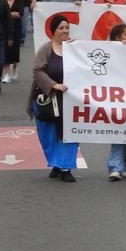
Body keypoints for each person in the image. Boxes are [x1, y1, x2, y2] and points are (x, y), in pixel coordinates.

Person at [30, 18, 78, 182]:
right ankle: (57, 164)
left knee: (70, 133)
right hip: (49, 99)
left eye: (67, 27)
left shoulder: (74, 48)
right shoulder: (46, 49)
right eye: (61, 28)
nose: (65, 31)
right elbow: (37, 71)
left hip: (71, 99)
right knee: (49, 134)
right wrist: (53, 85)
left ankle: (66, 167)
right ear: (53, 31)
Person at [107, 24, 126, 182]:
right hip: (116, 97)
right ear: (118, 37)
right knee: (118, 132)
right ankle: (115, 167)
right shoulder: (111, 50)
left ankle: (124, 164)